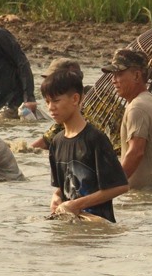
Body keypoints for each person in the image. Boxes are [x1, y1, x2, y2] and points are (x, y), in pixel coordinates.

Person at [42, 68, 128, 222]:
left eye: (56, 101)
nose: (50, 108)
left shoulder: (95, 139)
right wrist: (56, 196)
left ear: (75, 99)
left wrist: (77, 204)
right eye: (47, 102)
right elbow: (63, 187)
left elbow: (120, 186)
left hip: (97, 229)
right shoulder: (56, 142)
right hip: (71, 224)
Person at [102, 49, 152, 191]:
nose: (113, 80)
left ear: (136, 75)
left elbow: (136, 152)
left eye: (119, 74)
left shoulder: (137, 108)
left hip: (144, 199)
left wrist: (109, 187)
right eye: (113, 75)